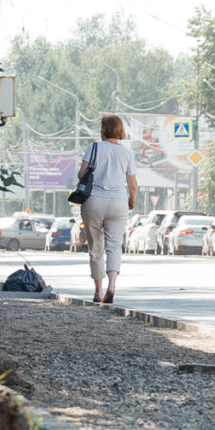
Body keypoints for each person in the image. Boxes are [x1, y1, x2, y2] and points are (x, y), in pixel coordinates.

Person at [78, 114, 137, 304]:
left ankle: (97, 291)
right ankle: (112, 285)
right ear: (120, 130)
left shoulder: (94, 147)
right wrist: (132, 200)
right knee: (114, 246)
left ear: (103, 129)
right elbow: (133, 183)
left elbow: (81, 174)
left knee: (96, 247)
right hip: (119, 202)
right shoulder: (127, 153)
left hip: (94, 200)